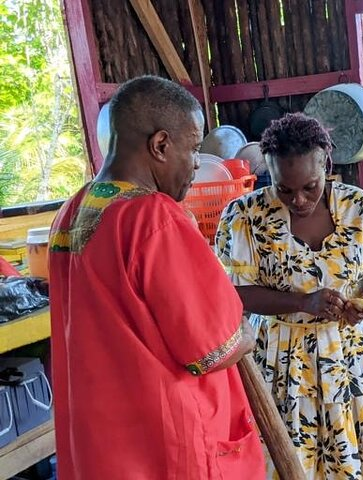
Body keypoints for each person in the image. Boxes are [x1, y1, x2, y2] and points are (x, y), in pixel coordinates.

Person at [48, 75, 265, 479]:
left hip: (104, 448)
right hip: (167, 448)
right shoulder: (153, 217)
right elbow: (214, 348)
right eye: (194, 148)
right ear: (160, 145)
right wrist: (247, 332)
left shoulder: (71, 211)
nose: (197, 163)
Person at [215, 113, 363, 479]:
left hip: (358, 357)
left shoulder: (359, 209)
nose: (298, 199)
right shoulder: (245, 217)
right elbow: (235, 292)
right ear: (270, 173)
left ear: (326, 164)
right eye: (284, 188)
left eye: (310, 186)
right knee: (297, 455)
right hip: (287, 364)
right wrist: (302, 303)